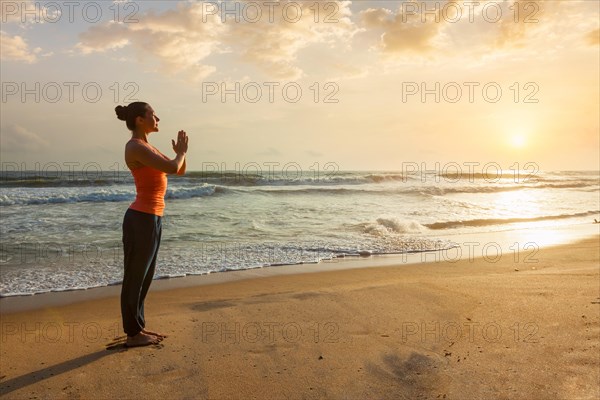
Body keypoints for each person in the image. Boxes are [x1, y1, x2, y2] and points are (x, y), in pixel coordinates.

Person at [115, 102, 188, 347]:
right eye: (152, 114)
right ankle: (133, 333)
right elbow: (171, 166)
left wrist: (181, 152)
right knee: (135, 276)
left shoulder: (147, 146)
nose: (157, 117)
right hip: (140, 218)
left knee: (146, 276)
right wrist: (180, 154)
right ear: (139, 120)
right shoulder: (135, 147)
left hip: (153, 217)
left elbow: (178, 170)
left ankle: (138, 327)